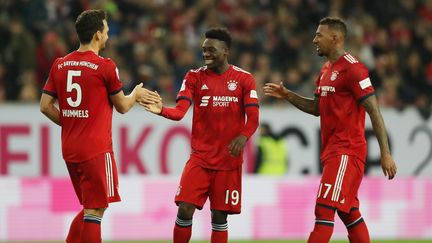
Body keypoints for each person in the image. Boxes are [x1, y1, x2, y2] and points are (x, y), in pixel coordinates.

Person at [264, 17, 397, 243]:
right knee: (348, 212)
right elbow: (316, 108)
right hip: (332, 152)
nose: (314, 39)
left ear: (334, 38)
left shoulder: (354, 69)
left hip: (347, 151)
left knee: (323, 210)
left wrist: (385, 153)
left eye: (319, 35)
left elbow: (374, 110)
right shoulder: (325, 69)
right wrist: (289, 96)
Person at [39, 9, 160, 243]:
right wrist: (135, 93)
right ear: (96, 35)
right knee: (95, 210)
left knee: (90, 207)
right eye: (105, 31)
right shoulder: (105, 66)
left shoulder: (60, 64)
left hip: (70, 149)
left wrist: (73, 122)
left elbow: (45, 106)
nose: (107, 36)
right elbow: (123, 106)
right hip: (96, 150)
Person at [139, 27, 259, 243]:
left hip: (228, 162)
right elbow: (179, 112)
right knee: (185, 209)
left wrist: (243, 136)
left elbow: (253, 118)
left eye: (211, 50)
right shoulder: (194, 77)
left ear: (225, 51)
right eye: (204, 50)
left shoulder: (244, 79)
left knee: (219, 216)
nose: (206, 54)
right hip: (200, 159)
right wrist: (162, 110)